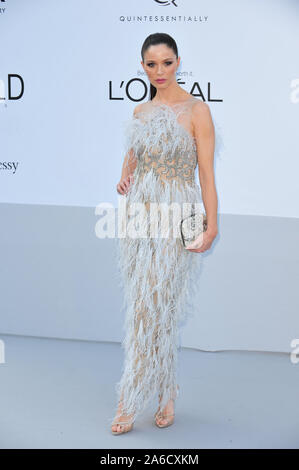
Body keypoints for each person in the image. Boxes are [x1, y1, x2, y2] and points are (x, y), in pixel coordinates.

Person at [110, 33, 218, 435]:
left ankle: (130, 396)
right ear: (142, 66)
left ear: (178, 62)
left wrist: (212, 224)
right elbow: (133, 157)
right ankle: (162, 391)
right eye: (151, 64)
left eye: (167, 63)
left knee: (162, 306)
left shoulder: (197, 110)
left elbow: (206, 172)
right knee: (143, 305)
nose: (159, 71)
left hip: (181, 213)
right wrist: (125, 177)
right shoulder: (140, 112)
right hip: (142, 214)